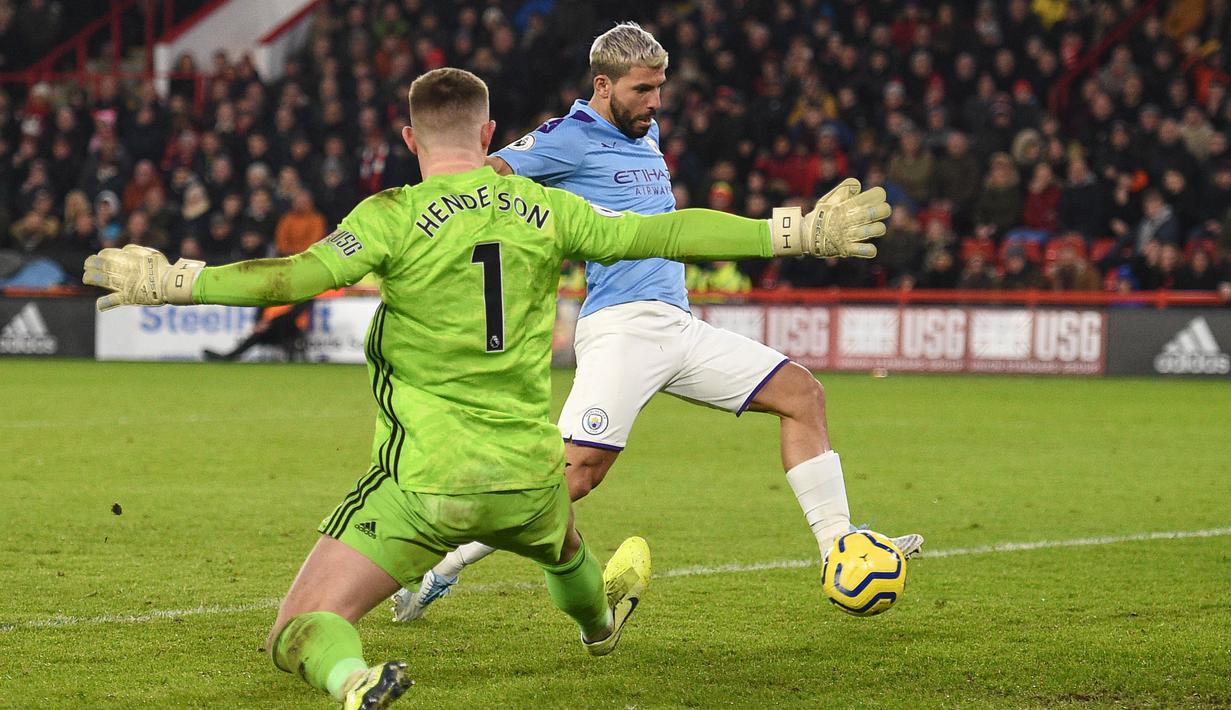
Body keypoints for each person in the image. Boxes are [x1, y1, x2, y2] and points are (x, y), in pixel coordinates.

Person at [82, 67, 889, 709]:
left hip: (427, 485)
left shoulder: (392, 214)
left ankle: (353, 682)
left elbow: (291, 277)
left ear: (409, 137)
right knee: (564, 545)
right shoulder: (543, 208)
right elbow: (663, 230)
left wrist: (178, 280)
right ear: (490, 134)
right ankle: (600, 627)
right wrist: (793, 230)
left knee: (298, 629)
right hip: (532, 480)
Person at [393, 23, 920, 623]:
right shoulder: (566, 139)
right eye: (643, 90)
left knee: (803, 394)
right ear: (603, 85)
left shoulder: (646, 131)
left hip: (679, 325)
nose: (656, 102)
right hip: (621, 329)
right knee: (573, 477)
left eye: (660, 88)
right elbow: (479, 176)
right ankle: (438, 567)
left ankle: (840, 550)